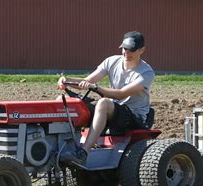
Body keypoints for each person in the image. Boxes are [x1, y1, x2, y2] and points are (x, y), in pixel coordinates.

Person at [58, 31, 155, 167]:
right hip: (114, 111)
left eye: (131, 50)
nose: (126, 53)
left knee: (103, 103)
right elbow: (86, 81)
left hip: (133, 116)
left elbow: (121, 94)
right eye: (124, 48)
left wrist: (96, 88)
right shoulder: (112, 61)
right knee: (67, 101)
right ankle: (63, 147)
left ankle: (83, 153)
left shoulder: (146, 72)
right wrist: (66, 80)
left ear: (142, 50)